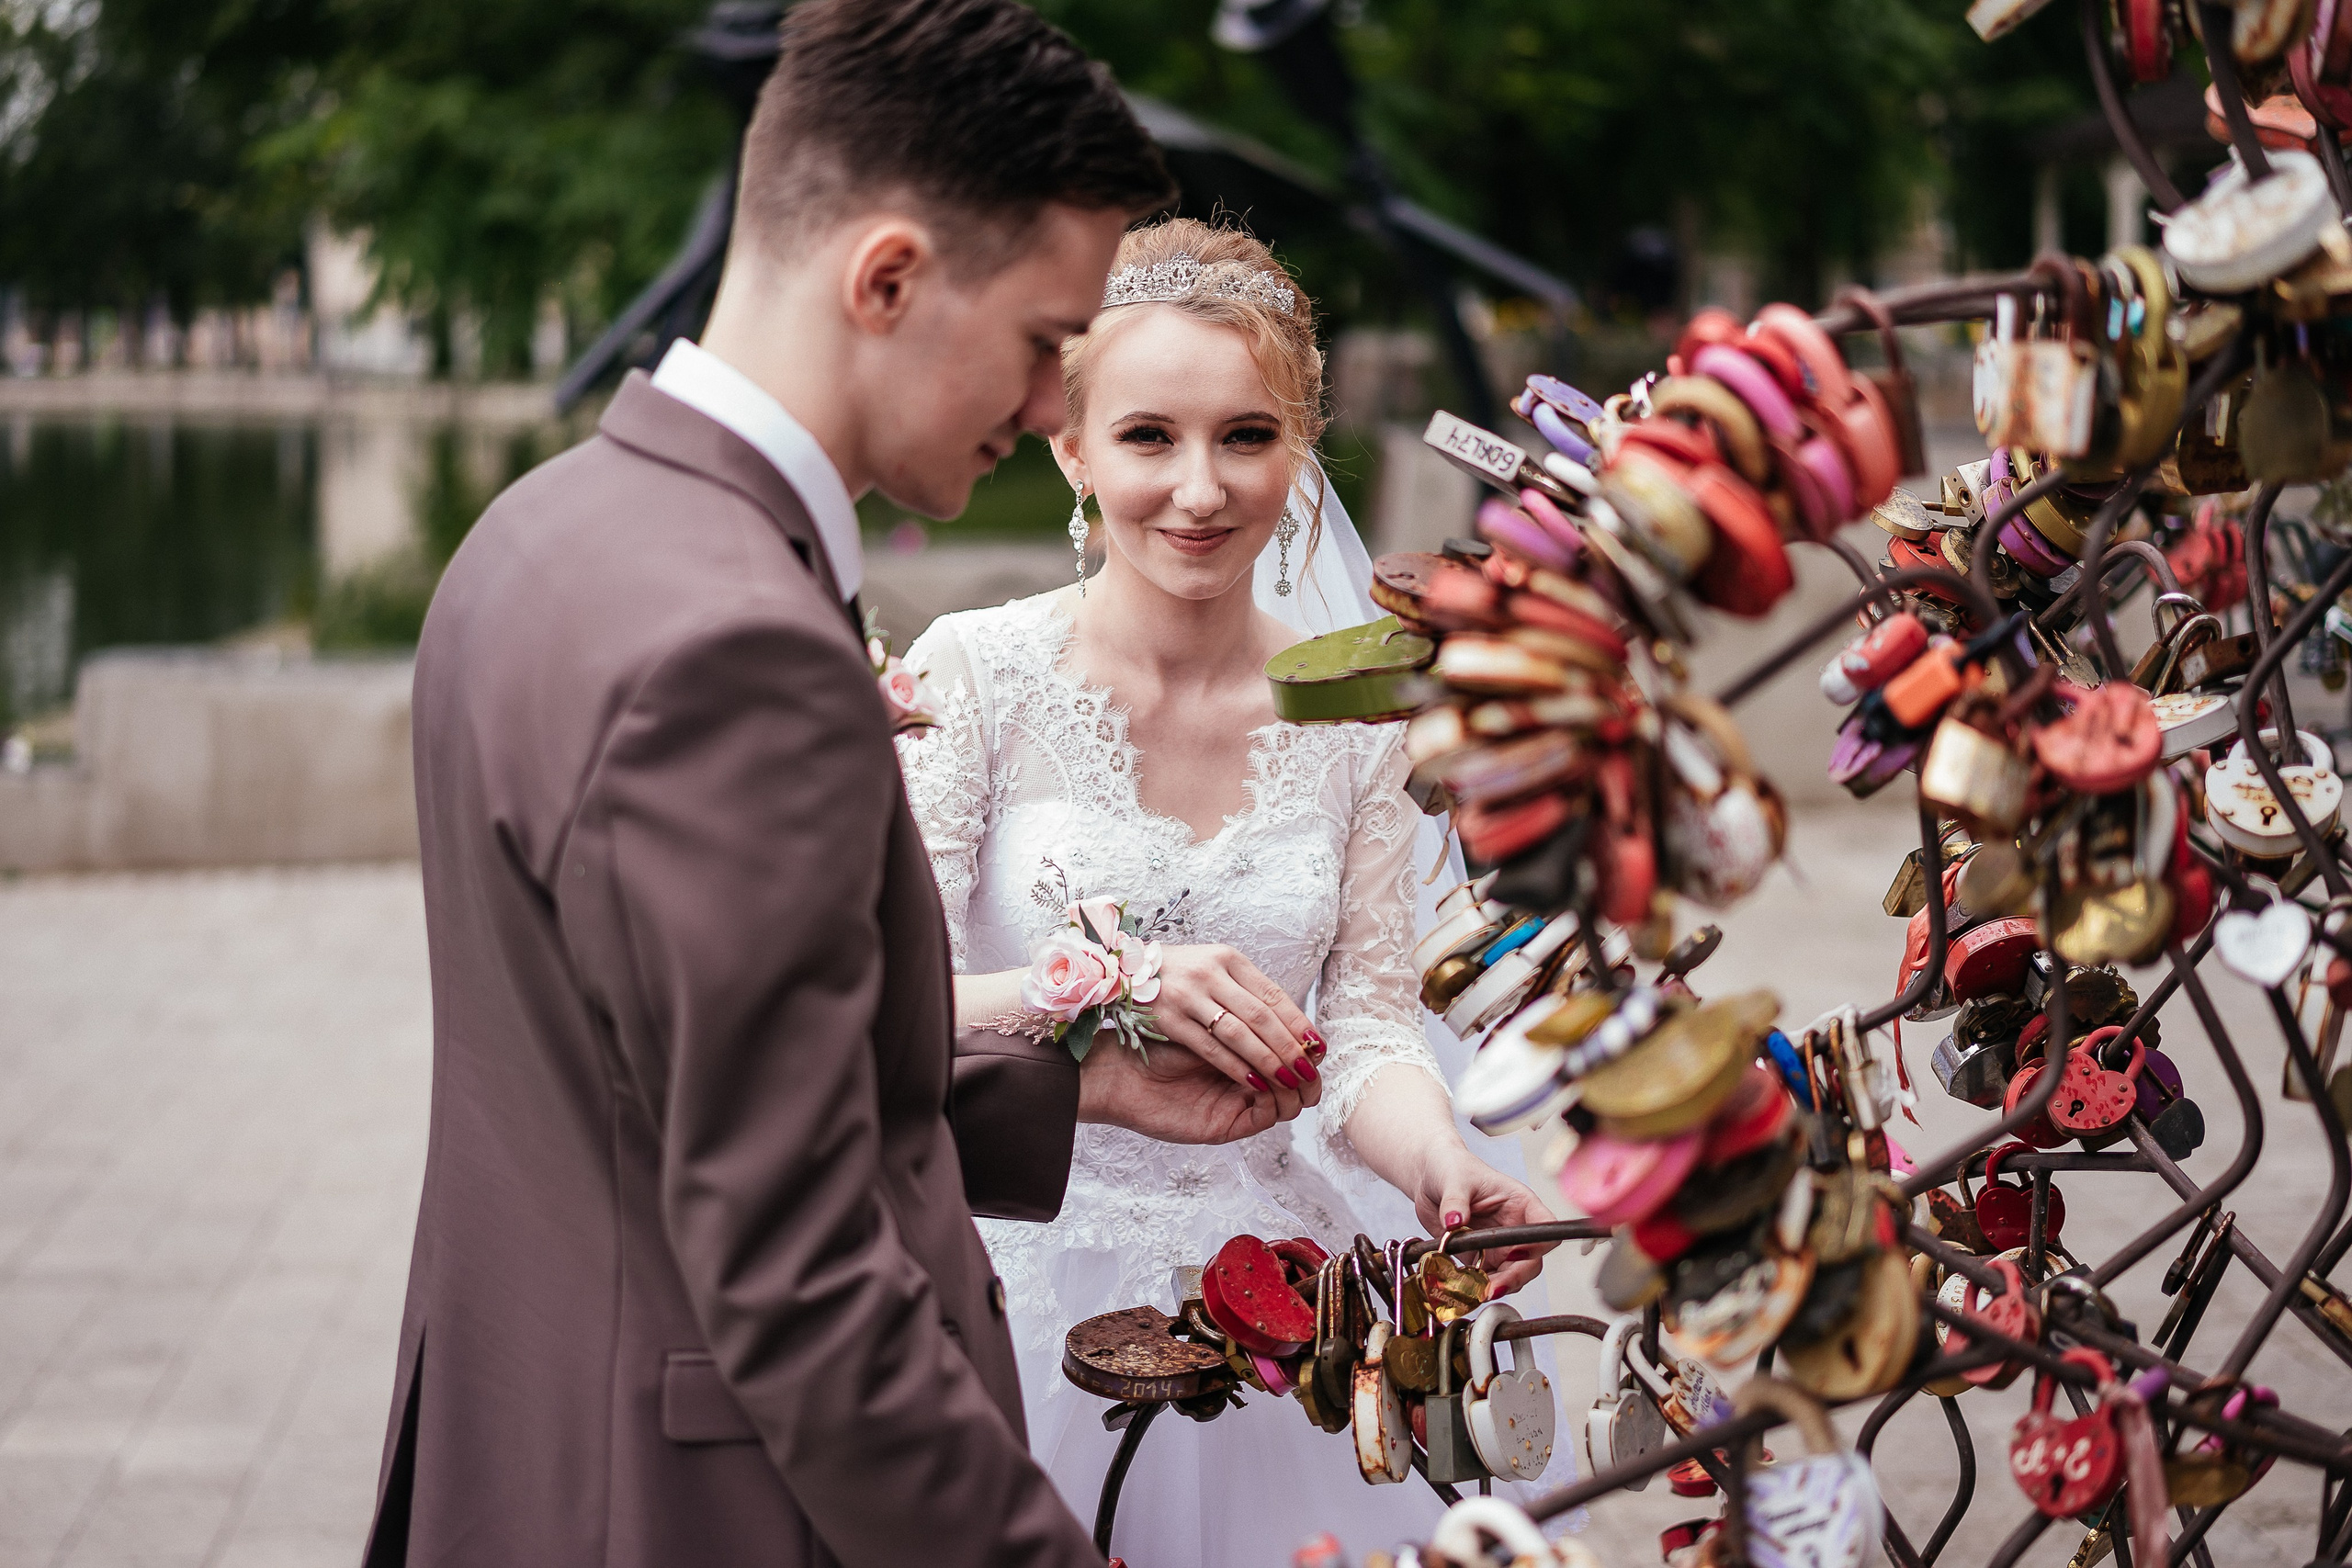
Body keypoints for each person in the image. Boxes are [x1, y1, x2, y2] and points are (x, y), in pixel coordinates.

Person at [361, 6, 1296, 1566]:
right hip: (688, 1510)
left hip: (513, 1451)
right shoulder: (737, 648)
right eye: (1047, 342)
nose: (1057, 411)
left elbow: (651, 1069)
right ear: (887, 280)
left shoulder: (536, 533)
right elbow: (799, 1284)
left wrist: (1072, 1087)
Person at [895, 217, 1560, 1564]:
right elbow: (877, 998)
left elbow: (1369, 1028)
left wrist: (1444, 1167)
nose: (1198, 489)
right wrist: (1103, 985)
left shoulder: (1358, 716)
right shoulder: (970, 679)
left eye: (1246, 437)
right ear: (1072, 448)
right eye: (1149, 437)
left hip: (1278, 1305)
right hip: (1014, 1280)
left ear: (1301, 449)